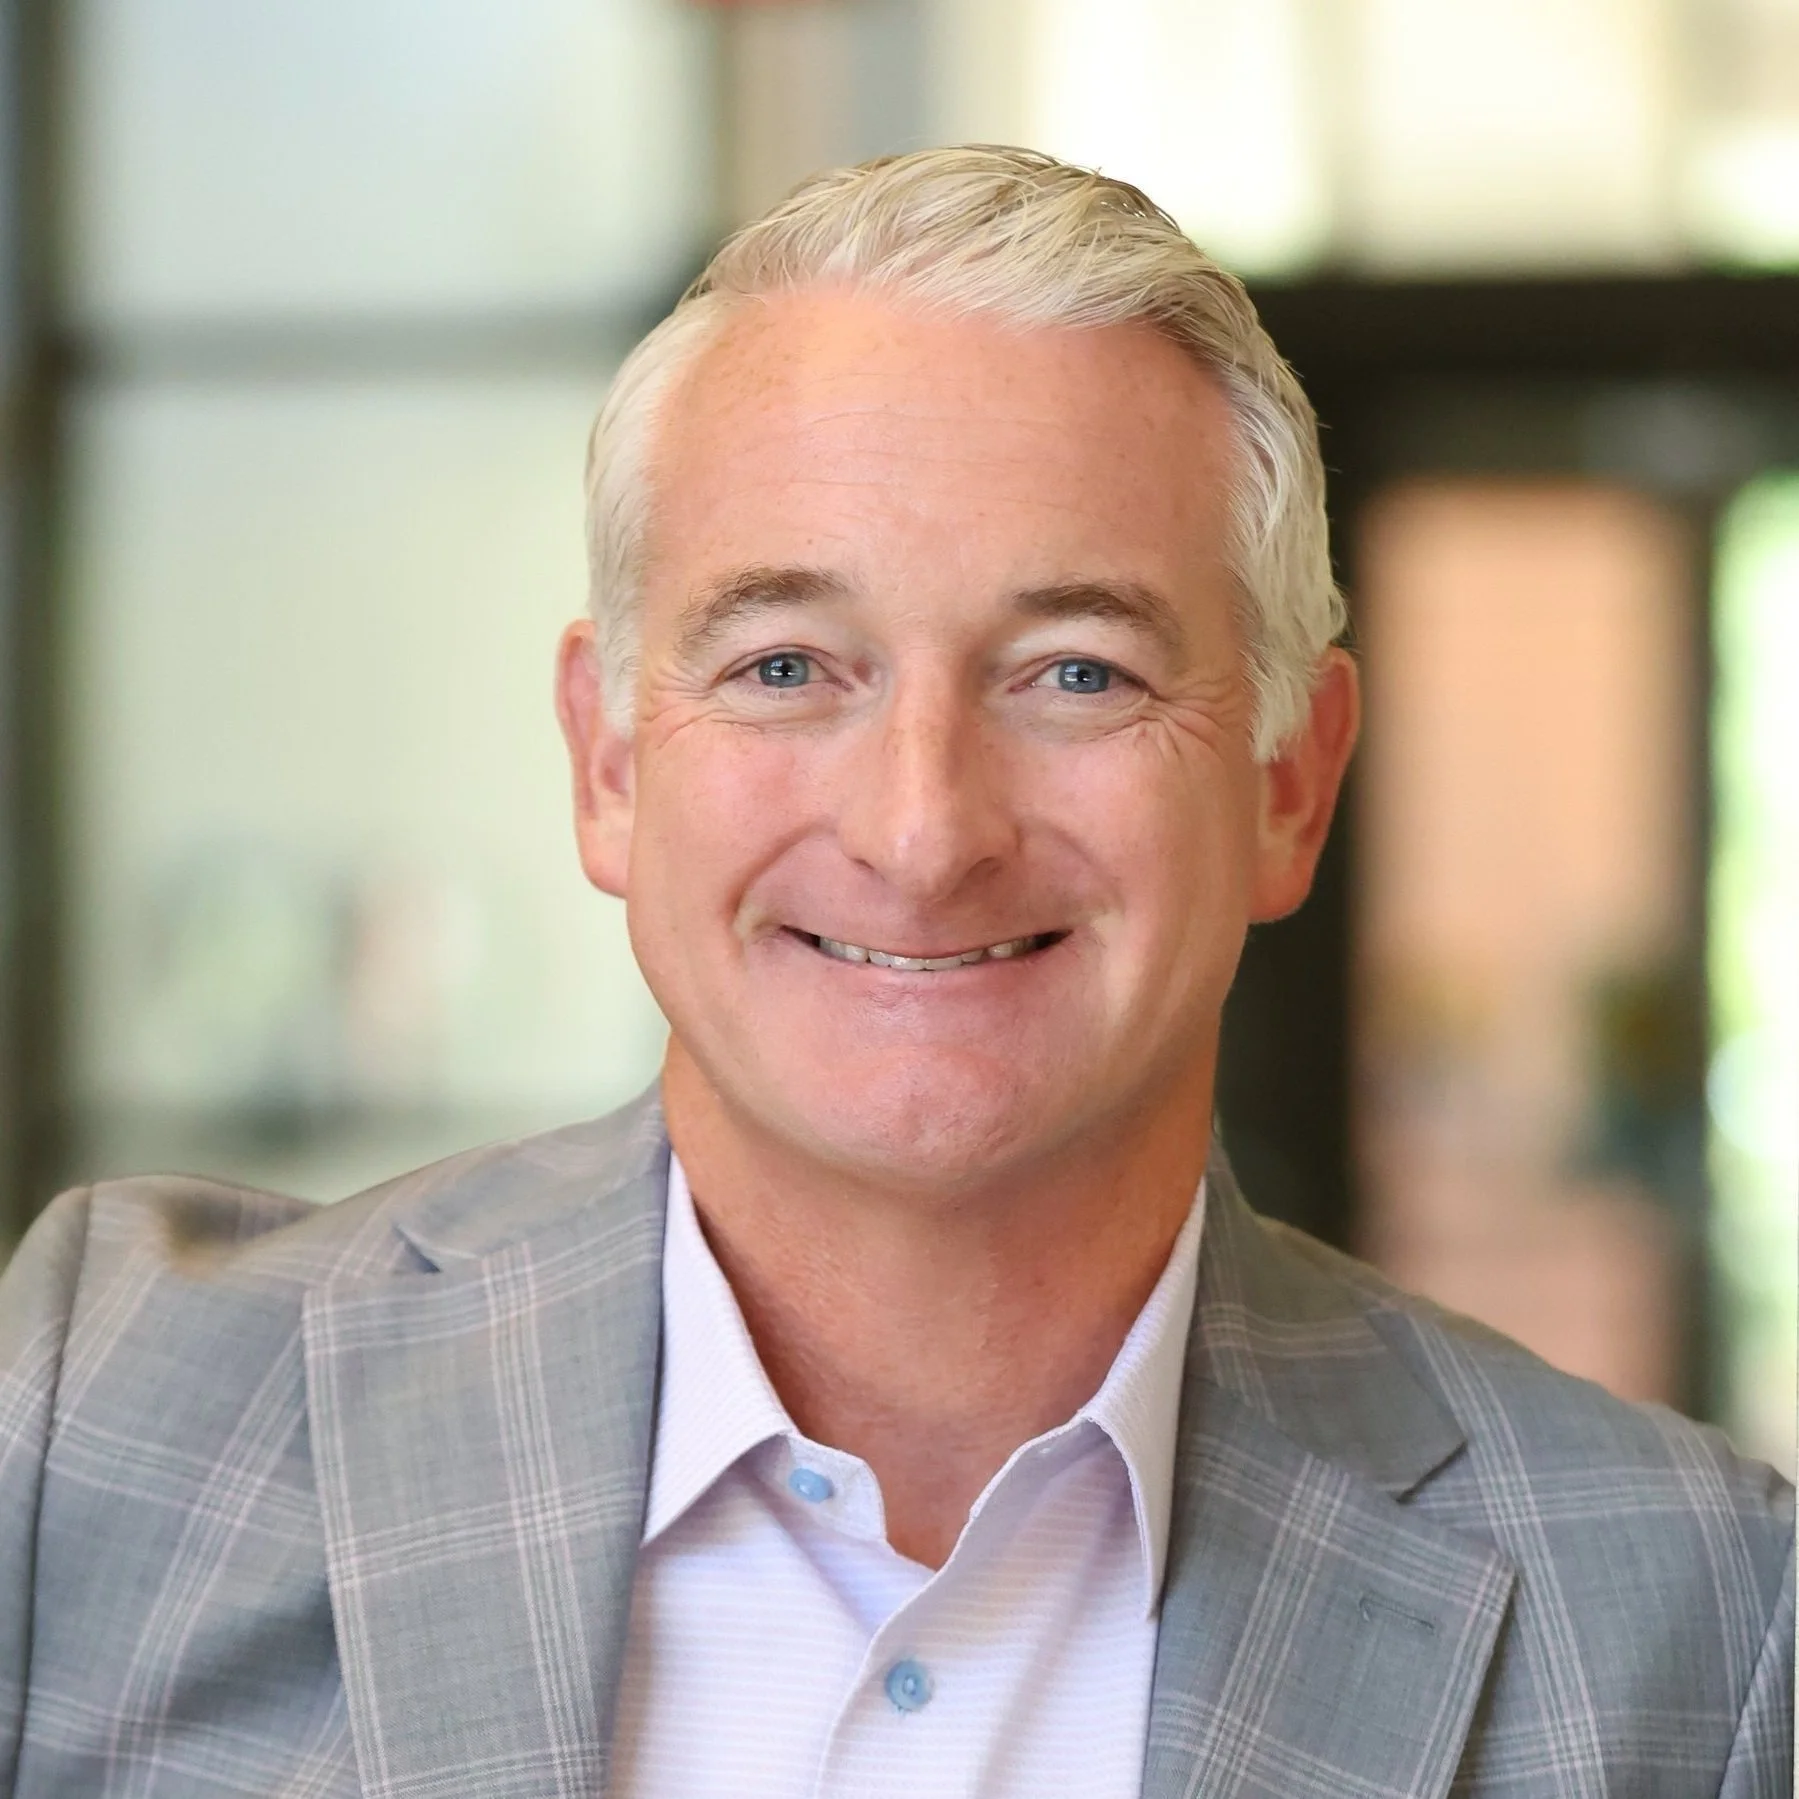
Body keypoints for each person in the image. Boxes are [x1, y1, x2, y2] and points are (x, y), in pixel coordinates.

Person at [0, 146, 1790, 1799]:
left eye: (1075, 671)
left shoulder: (1691, 1629)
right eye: (787, 665)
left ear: (1286, 781)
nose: (923, 830)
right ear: (610, 761)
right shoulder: (106, 1419)